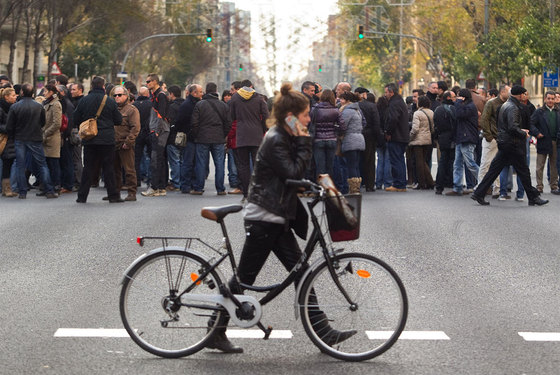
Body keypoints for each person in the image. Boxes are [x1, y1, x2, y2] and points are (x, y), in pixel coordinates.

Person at [205, 82, 356, 353]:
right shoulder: (276, 138)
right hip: (265, 218)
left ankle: (321, 331)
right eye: (306, 115)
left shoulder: (282, 136)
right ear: (291, 117)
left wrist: (311, 184)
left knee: (302, 272)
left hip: (275, 217)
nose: (309, 119)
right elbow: (293, 171)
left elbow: (291, 176)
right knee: (244, 279)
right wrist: (304, 140)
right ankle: (214, 330)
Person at [471, 85, 548, 206]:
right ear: (521, 95)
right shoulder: (513, 108)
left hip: (504, 143)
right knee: (523, 171)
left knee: (494, 170)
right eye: (524, 94)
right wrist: (523, 133)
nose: (525, 96)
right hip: (513, 144)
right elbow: (512, 127)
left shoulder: (505, 105)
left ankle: (478, 193)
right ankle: (533, 197)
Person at [74, 76, 123, 203]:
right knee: (108, 168)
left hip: (90, 139)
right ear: (103, 86)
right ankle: (113, 195)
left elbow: (76, 119)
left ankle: (82, 196)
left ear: (91, 86)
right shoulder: (110, 101)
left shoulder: (84, 101)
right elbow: (118, 120)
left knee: (88, 168)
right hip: (107, 140)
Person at [6, 83, 57, 199]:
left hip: (20, 138)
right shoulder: (38, 106)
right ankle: (49, 189)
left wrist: (13, 135)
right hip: (35, 138)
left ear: (21, 93)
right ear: (32, 93)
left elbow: (10, 126)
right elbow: (42, 122)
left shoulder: (15, 107)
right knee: (42, 164)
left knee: (20, 165)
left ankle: (22, 191)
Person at [228, 79, 269, 200]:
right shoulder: (259, 98)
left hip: (241, 136)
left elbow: (231, 116)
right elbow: (266, 117)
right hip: (256, 135)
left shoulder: (235, 98)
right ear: (251, 87)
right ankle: (257, 191)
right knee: (257, 164)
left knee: (243, 165)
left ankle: (246, 192)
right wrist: (262, 129)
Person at [190, 82, 231, 195]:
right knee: (220, 164)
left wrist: (197, 134)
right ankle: (220, 189)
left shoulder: (200, 105)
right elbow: (228, 123)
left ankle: (198, 188)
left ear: (206, 91)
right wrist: (223, 134)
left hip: (202, 138)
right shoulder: (223, 105)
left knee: (201, 163)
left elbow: (194, 123)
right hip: (218, 138)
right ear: (216, 90)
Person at [109, 85, 140, 201]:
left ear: (126, 96)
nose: (117, 97)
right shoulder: (112, 109)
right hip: (113, 143)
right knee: (114, 169)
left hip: (125, 143)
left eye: (119, 95)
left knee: (129, 169)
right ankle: (115, 192)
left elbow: (135, 127)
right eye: (115, 95)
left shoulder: (132, 110)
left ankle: (132, 193)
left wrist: (129, 141)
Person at [446, 89, 479, 196]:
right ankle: (457, 187)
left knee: (470, 164)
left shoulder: (470, 107)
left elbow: (460, 114)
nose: (456, 99)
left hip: (467, 139)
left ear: (463, 97)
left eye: (458, 97)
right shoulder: (464, 106)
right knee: (457, 164)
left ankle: (486, 182)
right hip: (461, 138)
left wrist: (458, 103)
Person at [142, 73, 169, 197]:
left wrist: (156, 131)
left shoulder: (160, 95)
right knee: (160, 159)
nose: (147, 84)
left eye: (148, 82)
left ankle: (154, 187)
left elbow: (161, 115)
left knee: (156, 159)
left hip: (160, 131)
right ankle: (161, 187)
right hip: (159, 131)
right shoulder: (156, 95)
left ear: (154, 82)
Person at [529, 90, 560, 194]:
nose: (551, 101)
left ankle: (554, 186)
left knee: (554, 165)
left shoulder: (558, 111)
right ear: (545, 99)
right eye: (549, 98)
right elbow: (531, 124)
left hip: (555, 141)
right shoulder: (539, 111)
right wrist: (537, 133)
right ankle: (539, 186)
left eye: (552, 98)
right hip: (543, 140)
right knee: (540, 165)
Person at [310, 89, 345, 179]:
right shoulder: (335, 110)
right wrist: (335, 131)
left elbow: (309, 123)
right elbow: (343, 126)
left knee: (320, 167)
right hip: (332, 140)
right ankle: (329, 188)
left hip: (318, 140)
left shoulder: (315, 109)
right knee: (330, 167)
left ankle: (321, 188)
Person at [175, 84, 203, 193]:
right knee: (188, 162)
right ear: (194, 93)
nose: (202, 93)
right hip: (190, 138)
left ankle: (192, 184)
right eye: (200, 92)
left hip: (196, 137)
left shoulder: (198, 103)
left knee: (195, 162)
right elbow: (179, 121)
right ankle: (186, 185)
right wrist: (189, 131)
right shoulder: (187, 105)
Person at [383, 83, 409, 192]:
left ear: (391, 92)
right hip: (402, 135)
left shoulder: (394, 103)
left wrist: (388, 132)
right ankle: (401, 183)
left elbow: (393, 119)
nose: (385, 95)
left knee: (396, 160)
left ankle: (398, 184)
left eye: (386, 92)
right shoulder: (400, 102)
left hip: (396, 136)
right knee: (400, 160)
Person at [339, 91, 365, 194]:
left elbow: (342, 126)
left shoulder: (347, 111)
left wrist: (338, 133)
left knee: (351, 165)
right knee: (355, 165)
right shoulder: (357, 110)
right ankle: (356, 187)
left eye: (341, 99)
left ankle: (353, 188)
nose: (339, 101)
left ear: (347, 100)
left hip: (350, 140)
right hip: (359, 139)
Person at [40, 84, 62, 195]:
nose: (43, 93)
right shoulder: (47, 103)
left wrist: (46, 133)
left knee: (53, 164)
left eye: (45, 91)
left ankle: (55, 186)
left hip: (52, 139)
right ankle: (47, 187)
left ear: (51, 92)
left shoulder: (55, 104)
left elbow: (57, 123)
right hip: (46, 138)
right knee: (47, 164)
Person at [409, 95, 435, 189]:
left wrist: (410, 137)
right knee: (423, 161)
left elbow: (415, 128)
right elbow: (432, 127)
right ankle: (429, 182)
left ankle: (423, 183)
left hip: (418, 140)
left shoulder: (417, 113)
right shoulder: (431, 112)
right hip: (427, 139)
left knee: (419, 163)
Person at [433, 90, 456, 194]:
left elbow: (435, 125)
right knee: (452, 161)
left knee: (442, 162)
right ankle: (451, 182)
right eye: (454, 97)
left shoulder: (438, 109)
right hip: (451, 137)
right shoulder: (453, 109)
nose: (455, 99)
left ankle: (439, 186)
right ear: (448, 98)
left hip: (442, 137)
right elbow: (456, 123)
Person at [0, 87, 17, 197]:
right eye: (13, 95)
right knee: (6, 163)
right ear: (6, 97)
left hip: (10, 139)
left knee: (8, 163)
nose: (15, 97)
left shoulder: (12, 108)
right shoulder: (2, 109)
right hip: (4, 139)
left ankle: (7, 188)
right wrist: (9, 128)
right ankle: (6, 189)